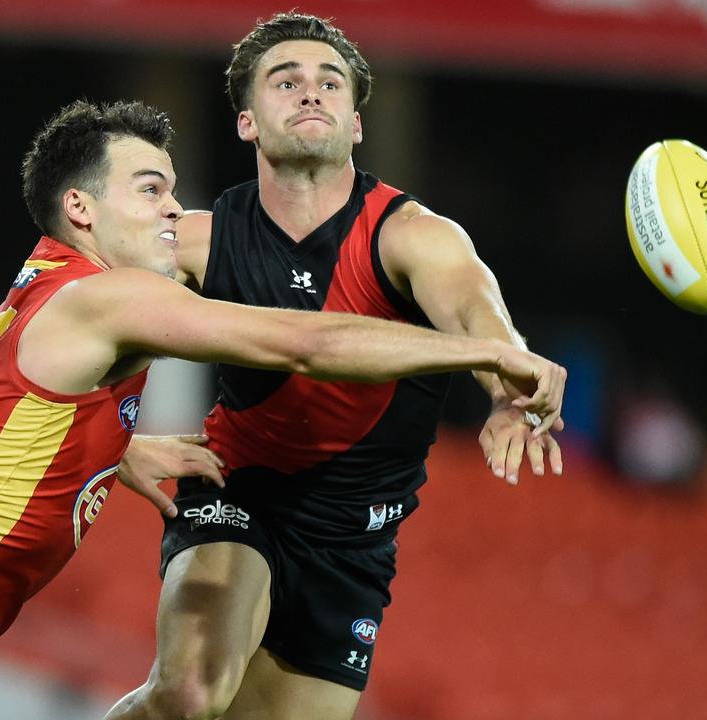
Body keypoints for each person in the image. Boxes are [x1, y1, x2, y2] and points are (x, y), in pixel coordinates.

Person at [0, 99, 563, 719]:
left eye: (175, 190)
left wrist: (107, 455)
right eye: (150, 190)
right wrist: (490, 351)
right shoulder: (108, 298)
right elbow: (306, 340)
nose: (174, 210)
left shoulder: (44, 280)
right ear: (81, 208)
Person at [104, 13, 566, 720]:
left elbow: (486, 327)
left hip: (356, 540)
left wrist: (512, 394)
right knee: (190, 694)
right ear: (247, 122)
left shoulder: (417, 238)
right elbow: (71, 327)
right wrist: (114, 443)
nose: (310, 93)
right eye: (285, 82)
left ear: (355, 123)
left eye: (329, 83)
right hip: (239, 488)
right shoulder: (194, 239)